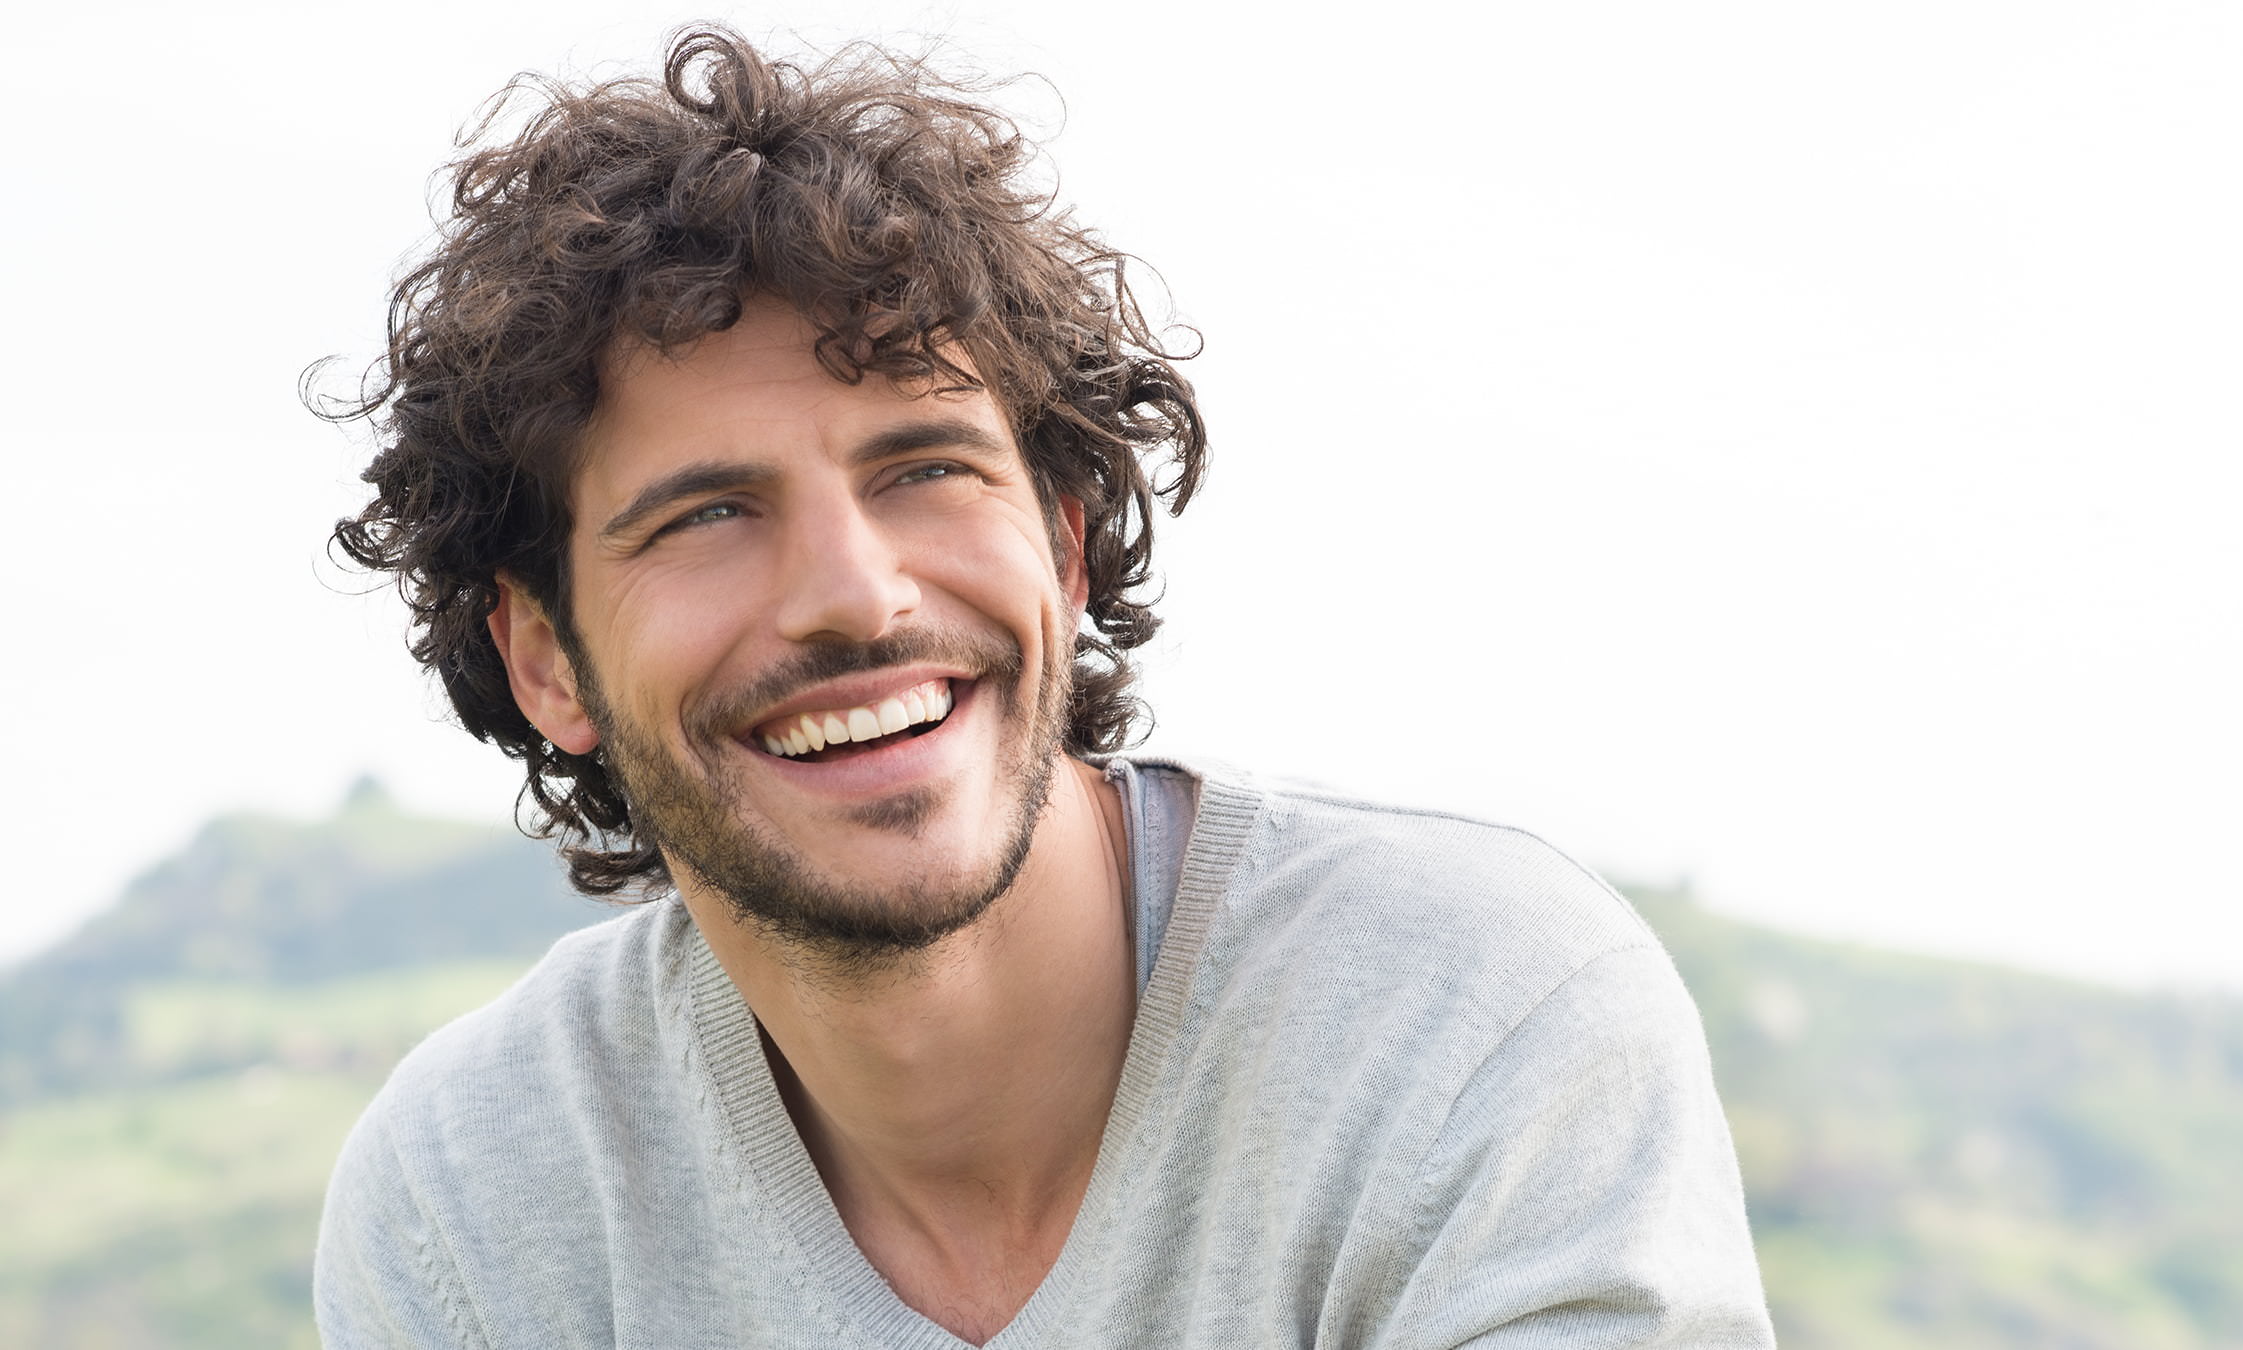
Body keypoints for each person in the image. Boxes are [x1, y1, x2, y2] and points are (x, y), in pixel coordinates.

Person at [313, 25, 1775, 1349]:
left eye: (925, 469)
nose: (857, 594)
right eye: (708, 514)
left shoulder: (1472, 1020)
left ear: (1064, 546)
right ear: (546, 659)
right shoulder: (472, 1206)